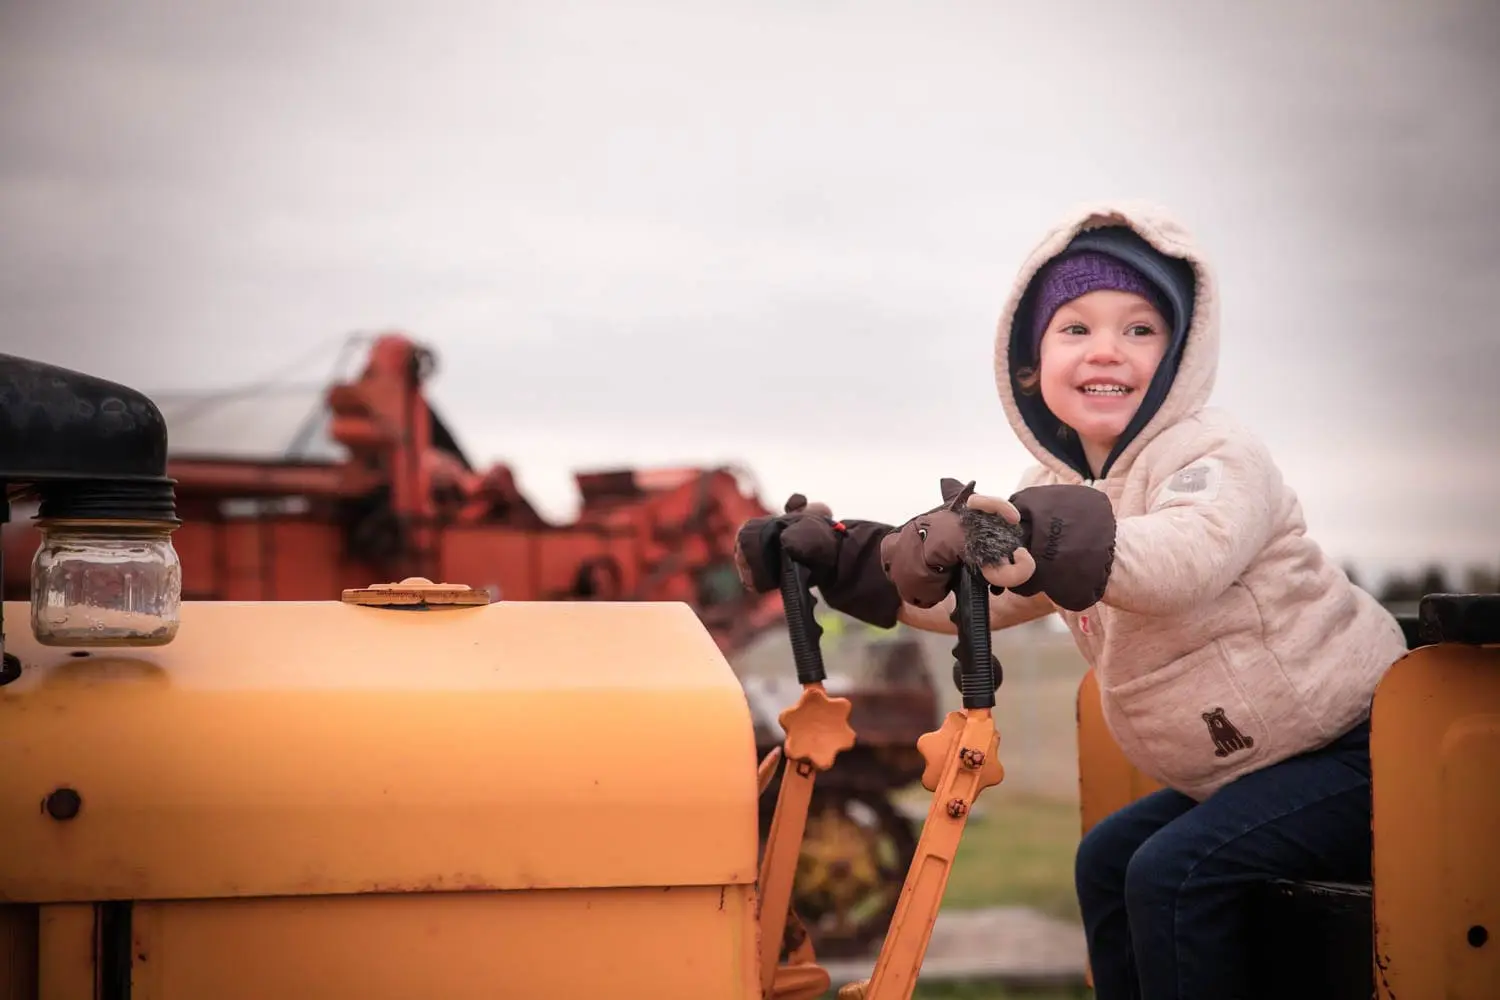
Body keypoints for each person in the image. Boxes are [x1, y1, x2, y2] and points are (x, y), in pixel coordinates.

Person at [732, 201, 1409, 1000]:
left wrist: (1037, 539)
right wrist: (845, 559)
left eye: (1140, 329)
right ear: (1032, 364)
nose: (1108, 350)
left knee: (1174, 874)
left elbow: (1181, 559)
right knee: (1107, 860)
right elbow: (969, 600)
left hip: (1354, 751)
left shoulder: (1215, 455)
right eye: (1077, 328)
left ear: (1182, 355)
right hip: (1246, 774)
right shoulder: (1052, 491)